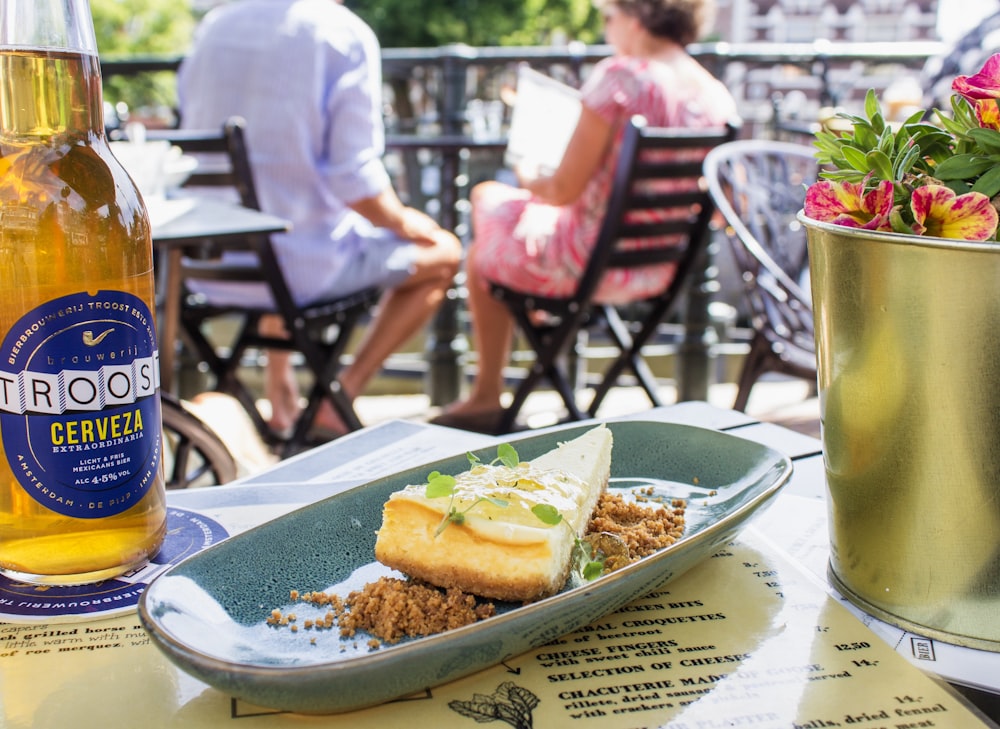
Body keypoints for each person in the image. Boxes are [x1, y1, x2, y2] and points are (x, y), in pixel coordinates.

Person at [430, 0, 737, 434]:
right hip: (654, 270)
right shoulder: (713, 93)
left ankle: (488, 391)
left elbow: (560, 190)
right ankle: (535, 328)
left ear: (637, 16)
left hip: (585, 266)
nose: (607, 29)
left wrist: (525, 167)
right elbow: (722, 206)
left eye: (608, 17)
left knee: (486, 213)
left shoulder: (622, 78)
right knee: (507, 219)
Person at [177, 0, 461, 437]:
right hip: (297, 271)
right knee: (444, 253)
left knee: (284, 225)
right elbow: (353, 179)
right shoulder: (342, 34)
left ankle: (281, 387)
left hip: (206, 263)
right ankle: (338, 397)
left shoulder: (215, 26)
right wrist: (403, 221)